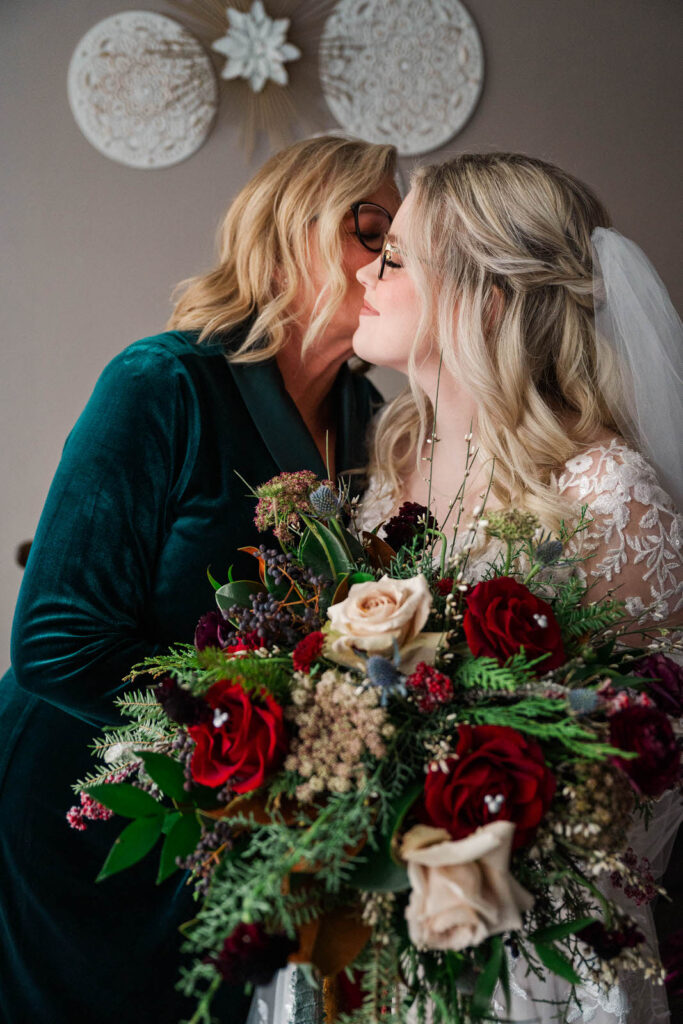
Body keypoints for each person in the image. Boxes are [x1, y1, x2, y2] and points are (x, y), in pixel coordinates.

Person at [0, 135, 400, 1024]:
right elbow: (54, 642)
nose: (391, 259)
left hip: (230, 832)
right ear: (292, 230)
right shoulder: (163, 383)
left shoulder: (367, 417)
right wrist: (265, 728)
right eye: (372, 229)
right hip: (80, 808)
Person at [351, 152, 682, 1023]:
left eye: (393, 258)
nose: (364, 272)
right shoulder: (389, 472)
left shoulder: (604, 492)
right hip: (383, 924)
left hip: (543, 955)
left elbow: (651, 765)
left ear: (481, 298)